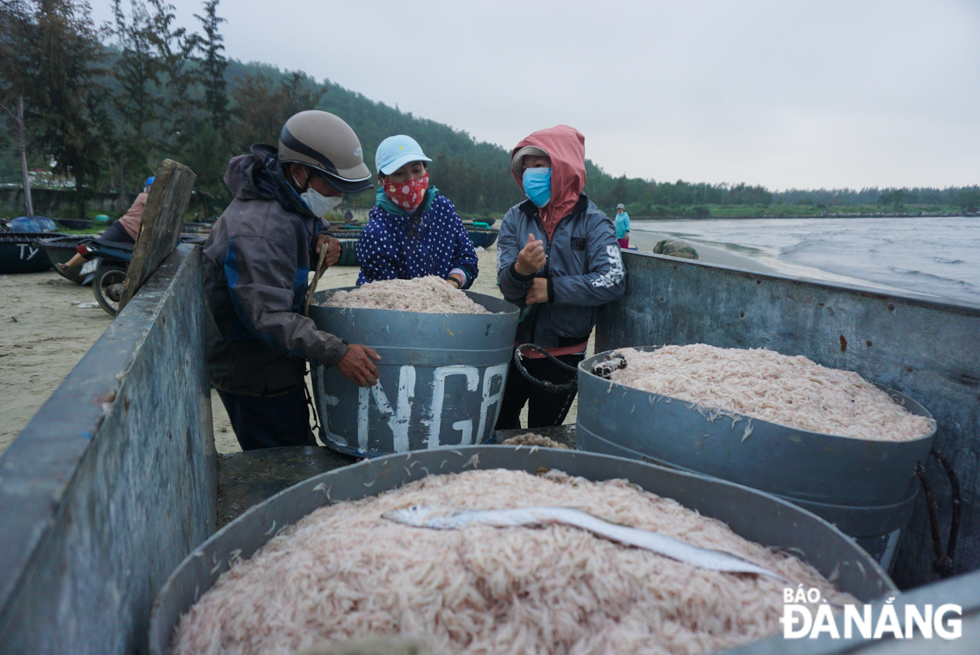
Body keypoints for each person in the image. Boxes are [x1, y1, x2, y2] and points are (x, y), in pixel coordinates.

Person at [202, 110, 382, 451]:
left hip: (277, 361)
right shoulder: (258, 232)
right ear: (299, 171)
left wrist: (322, 238)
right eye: (333, 185)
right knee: (282, 463)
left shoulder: (283, 195)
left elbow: (304, 218)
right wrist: (336, 352)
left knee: (298, 445)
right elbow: (268, 317)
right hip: (253, 373)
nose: (338, 197)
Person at [495, 125, 626, 429]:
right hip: (512, 349)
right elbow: (505, 284)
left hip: (563, 357)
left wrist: (553, 289)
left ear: (563, 166)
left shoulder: (594, 223)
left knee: (544, 434)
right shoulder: (516, 217)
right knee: (497, 426)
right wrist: (520, 270)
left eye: (539, 165)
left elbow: (613, 279)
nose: (530, 174)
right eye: (525, 167)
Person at [355, 135, 478, 289]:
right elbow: (387, 293)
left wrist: (451, 284)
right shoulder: (375, 233)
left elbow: (466, 256)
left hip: (443, 306)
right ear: (382, 180)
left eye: (416, 170)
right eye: (399, 173)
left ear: (425, 169)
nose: (411, 180)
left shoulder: (443, 209)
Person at [57, 176, 154, 272]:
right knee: (95, 246)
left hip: (134, 237)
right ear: (147, 188)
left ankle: (124, 279)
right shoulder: (144, 196)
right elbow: (154, 203)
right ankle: (67, 265)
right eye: (152, 186)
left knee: (131, 258)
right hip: (121, 228)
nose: (154, 189)